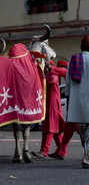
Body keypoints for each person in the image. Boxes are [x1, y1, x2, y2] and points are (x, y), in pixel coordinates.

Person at [31, 60, 67, 159]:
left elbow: (47, 81)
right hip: (51, 104)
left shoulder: (52, 74)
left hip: (52, 105)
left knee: (50, 127)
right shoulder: (49, 74)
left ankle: (44, 151)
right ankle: (61, 152)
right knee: (57, 130)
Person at [65, 34, 89, 168]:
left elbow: (67, 82)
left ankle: (86, 153)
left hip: (77, 103)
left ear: (81, 47)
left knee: (83, 132)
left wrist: (68, 98)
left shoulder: (73, 59)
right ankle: (87, 156)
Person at [48, 60, 78, 160]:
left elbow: (62, 71)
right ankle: (60, 152)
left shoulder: (69, 72)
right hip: (75, 105)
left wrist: (51, 68)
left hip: (77, 106)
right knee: (68, 131)